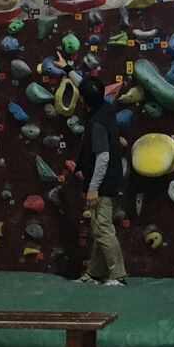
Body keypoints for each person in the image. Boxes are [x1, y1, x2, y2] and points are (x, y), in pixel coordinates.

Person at [76, 77, 128, 286]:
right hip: (112, 180)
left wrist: (93, 188)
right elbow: (86, 87)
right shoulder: (106, 108)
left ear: (83, 100)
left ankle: (118, 275)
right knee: (99, 226)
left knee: (103, 228)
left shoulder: (97, 124)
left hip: (103, 185)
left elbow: (103, 157)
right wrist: (68, 69)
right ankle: (95, 273)